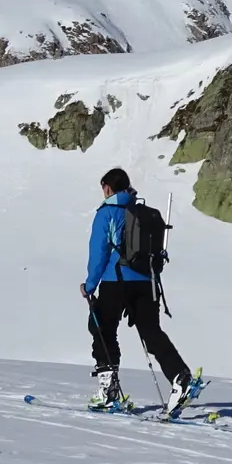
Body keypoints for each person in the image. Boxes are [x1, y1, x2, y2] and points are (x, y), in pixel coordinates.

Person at [83, 168, 198, 417]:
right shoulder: (142, 212)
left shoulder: (107, 213)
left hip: (116, 280)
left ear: (108, 188)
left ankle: (108, 393)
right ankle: (180, 377)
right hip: (148, 281)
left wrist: (89, 285)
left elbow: (99, 252)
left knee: (101, 328)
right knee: (151, 332)